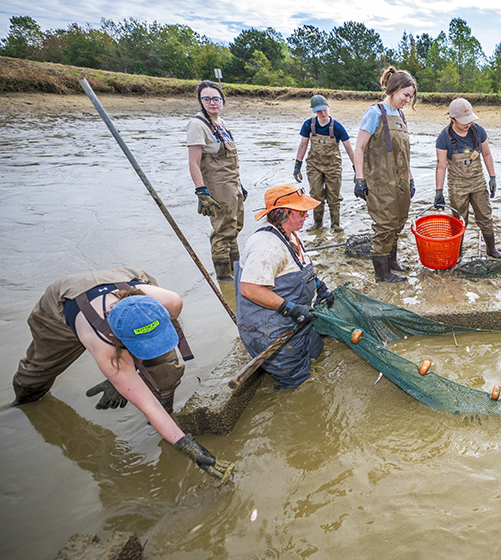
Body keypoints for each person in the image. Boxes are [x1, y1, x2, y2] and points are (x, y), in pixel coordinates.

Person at [11, 269, 232, 480]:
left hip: (123, 280)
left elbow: (148, 337)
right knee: (34, 376)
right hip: (63, 304)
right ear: (117, 338)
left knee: (165, 369)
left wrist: (130, 369)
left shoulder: (170, 302)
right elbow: (148, 405)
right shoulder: (106, 347)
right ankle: (23, 405)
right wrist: (187, 445)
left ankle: (158, 412)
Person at [236, 184, 333, 390]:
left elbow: (295, 268)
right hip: (271, 329)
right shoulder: (266, 246)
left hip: (298, 320)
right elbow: (249, 289)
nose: (307, 215)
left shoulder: (289, 234)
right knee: (296, 385)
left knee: (317, 353)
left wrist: (318, 285)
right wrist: (290, 309)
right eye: (301, 211)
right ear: (284, 213)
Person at [352, 66, 418, 283]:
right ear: (394, 89)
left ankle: (392, 262)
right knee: (385, 226)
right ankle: (382, 274)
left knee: (399, 222)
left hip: (400, 181)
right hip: (379, 182)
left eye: (410, 97)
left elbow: (403, 153)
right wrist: (359, 178)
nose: (407, 100)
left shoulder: (400, 115)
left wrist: (410, 179)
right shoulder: (374, 113)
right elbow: (359, 148)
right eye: (405, 95)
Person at [187, 80, 246, 281]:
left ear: (222, 101)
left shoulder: (221, 123)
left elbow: (231, 158)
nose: (212, 103)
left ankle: (235, 270)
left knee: (236, 226)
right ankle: (224, 279)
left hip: (232, 182)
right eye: (207, 99)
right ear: (200, 101)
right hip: (217, 184)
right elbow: (194, 162)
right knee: (223, 229)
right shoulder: (197, 125)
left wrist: (240, 184)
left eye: (216, 98)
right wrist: (201, 191)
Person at [433, 98, 501, 260]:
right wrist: (438, 191)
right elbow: (441, 166)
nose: (468, 124)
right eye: (464, 121)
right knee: (458, 220)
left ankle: (491, 249)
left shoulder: (479, 132)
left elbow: (486, 154)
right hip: (457, 185)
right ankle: (457, 253)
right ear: (452, 119)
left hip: (478, 182)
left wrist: (492, 177)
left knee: (485, 216)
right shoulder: (443, 138)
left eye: (470, 120)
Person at [292, 94, 355, 233]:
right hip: (314, 165)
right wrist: (297, 165)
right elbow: (302, 146)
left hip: (333, 167)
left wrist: (357, 168)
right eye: (319, 111)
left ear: (328, 107)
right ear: (314, 111)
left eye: (324, 109)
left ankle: (335, 225)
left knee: (334, 196)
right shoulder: (309, 125)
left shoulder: (337, 127)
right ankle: (317, 223)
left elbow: (349, 150)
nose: (323, 113)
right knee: (316, 194)